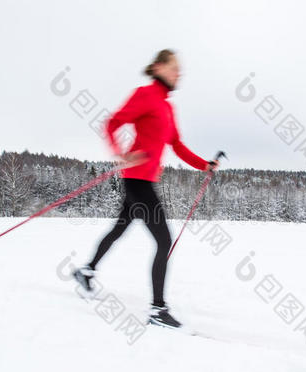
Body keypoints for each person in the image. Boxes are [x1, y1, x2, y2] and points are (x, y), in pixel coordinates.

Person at [73, 49, 220, 329]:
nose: (179, 74)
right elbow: (113, 123)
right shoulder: (145, 95)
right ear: (158, 67)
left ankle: (86, 271)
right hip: (137, 181)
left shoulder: (167, 107)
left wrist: (204, 165)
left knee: (118, 230)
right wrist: (120, 153)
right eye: (174, 68)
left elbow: (176, 145)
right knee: (164, 240)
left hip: (143, 181)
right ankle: (157, 310)